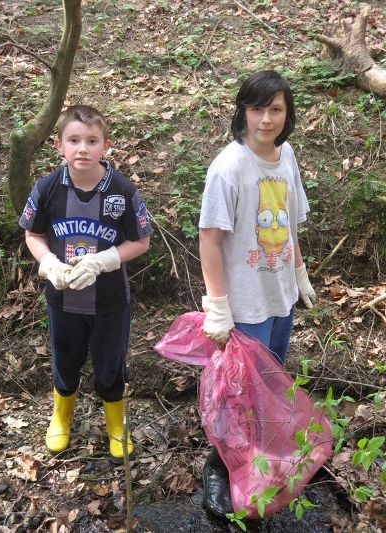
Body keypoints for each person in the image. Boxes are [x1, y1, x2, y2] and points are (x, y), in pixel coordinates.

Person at [198, 71, 316, 518]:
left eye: (276, 110)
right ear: (242, 112)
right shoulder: (229, 167)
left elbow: (288, 223)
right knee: (237, 393)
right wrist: (218, 308)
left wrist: (300, 275)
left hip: (279, 293)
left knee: (268, 383)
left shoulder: (286, 157)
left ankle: (261, 460)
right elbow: (209, 238)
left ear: (287, 115)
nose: (266, 119)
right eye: (257, 109)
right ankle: (219, 468)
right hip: (244, 302)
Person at [19, 104, 153, 461]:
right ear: (58, 145)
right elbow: (33, 234)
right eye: (74, 140)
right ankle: (61, 417)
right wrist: (48, 263)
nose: (82, 148)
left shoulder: (122, 190)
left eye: (91, 140)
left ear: (105, 146)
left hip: (109, 301)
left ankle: (116, 425)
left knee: (111, 364)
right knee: (65, 359)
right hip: (62, 299)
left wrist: (104, 260)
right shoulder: (47, 188)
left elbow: (141, 240)